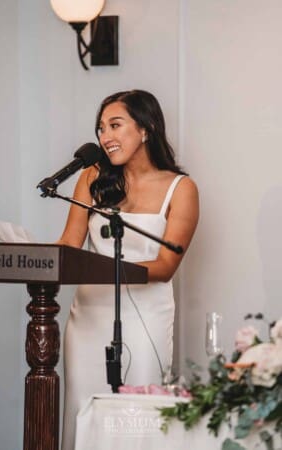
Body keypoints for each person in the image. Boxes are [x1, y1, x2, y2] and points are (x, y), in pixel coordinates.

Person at [59, 89, 199, 450]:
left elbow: (166, 266)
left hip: (144, 319)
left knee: (137, 418)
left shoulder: (180, 188)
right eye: (101, 128)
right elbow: (68, 248)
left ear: (146, 128)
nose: (105, 137)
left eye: (115, 125)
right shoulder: (91, 177)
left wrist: (106, 269)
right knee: (82, 410)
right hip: (88, 317)